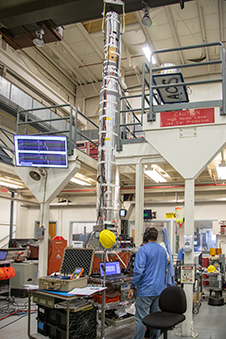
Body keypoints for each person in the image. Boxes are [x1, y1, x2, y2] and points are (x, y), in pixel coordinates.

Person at [128, 227, 168, 339]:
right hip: (159, 290)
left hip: (145, 290)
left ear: (145, 237)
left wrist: (132, 286)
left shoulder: (143, 250)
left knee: (141, 318)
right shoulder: (162, 250)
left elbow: (138, 271)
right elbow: (165, 267)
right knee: (156, 318)